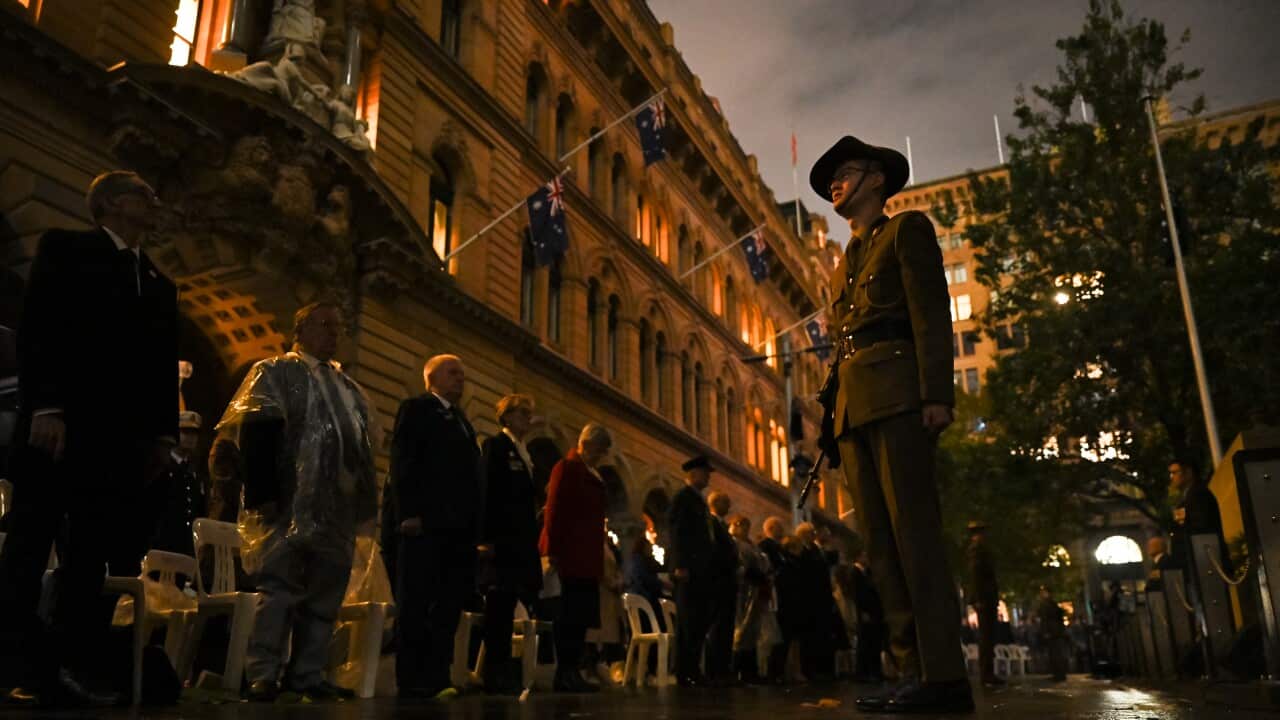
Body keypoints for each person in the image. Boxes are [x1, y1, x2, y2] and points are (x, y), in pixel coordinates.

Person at [0, 170, 177, 707]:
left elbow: (160, 367)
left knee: (90, 558)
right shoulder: (67, 248)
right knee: (30, 545)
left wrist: (162, 437)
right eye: (146, 193)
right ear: (114, 202)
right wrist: (47, 407)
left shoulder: (159, 281)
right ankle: (12, 663)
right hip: (61, 427)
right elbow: (40, 328)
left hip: (120, 446)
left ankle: (69, 666)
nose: (155, 201)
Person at [811, 136, 972, 713]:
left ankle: (944, 675)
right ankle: (911, 671)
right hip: (855, 407)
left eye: (845, 172)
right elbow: (842, 347)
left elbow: (930, 314)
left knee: (915, 536)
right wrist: (831, 418)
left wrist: (937, 395)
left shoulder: (906, 231)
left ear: (877, 178)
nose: (835, 183)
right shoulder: (842, 266)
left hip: (901, 395)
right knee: (879, 546)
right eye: (831, 178)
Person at [217, 302, 376, 702]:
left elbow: (361, 451)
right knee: (279, 589)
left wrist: (363, 508)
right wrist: (264, 495)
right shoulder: (275, 372)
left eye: (338, 327)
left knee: (324, 594)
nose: (334, 333)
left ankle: (307, 673)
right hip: (287, 502)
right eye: (325, 325)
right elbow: (258, 433)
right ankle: (263, 672)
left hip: (335, 511)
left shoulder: (349, 389)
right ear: (301, 330)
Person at [388, 354, 481, 699]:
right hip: (425, 523)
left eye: (462, 374)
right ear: (432, 378)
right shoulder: (417, 409)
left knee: (448, 604)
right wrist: (408, 512)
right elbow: (403, 461)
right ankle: (411, 678)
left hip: (458, 529)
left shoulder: (462, 421)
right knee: (416, 602)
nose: (460, 378)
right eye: (453, 372)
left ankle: (438, 675)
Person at [477, 394, 542, 694]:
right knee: (498, 607)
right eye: (522, 413)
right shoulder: (497, 446)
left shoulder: (523, 451)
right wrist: (485, 538)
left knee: (510, 602)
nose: (528, 418)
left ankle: (503, 669)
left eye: (529, 413)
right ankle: (494, 672)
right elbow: (488, 492)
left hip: (520, 542)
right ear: (506, 416)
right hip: (501, 540)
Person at [539, 423, 612, 692]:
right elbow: (554, 509)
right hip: (569, 553)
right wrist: (551, 549)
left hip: (586, 556)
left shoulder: (592, 473)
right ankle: (564, 673)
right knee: (568, 616)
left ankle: (573, 671)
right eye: (600, 450)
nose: (601, 456)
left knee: (581, 616)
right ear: (587, 444)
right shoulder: (566, 468)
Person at [667, 455, 716, 687]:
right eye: (705, 473)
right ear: (694, 473)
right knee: (688, 621)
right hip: (688, 569)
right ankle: (684, 670)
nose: (708, 478)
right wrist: (680, 564)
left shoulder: (698, 500)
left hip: (701, 570)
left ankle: (693, 668)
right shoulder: (683, 498)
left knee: (699, 620)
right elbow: (677, 532)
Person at [148, 410, 208, 556]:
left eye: (194, 433)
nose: (191, 438)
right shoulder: (162, 466)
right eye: (185, 432)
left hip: (188, 547)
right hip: (163, 545)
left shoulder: (195, 470)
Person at [728, 514, 770, 684]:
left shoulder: (751, 545)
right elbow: (741, 566)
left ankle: (750, 671)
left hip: (755, 591)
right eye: (741, 525)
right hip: (743, 591)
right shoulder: (734, 544)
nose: (745, 529)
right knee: (741, 630)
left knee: (752, 632)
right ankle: (737, 669)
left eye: (747, 525)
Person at [1168, 459, 1230, 572]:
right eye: (1170, 473)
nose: (1171, 477)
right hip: (1198, 559)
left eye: (1175, 472)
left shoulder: (1198, 494)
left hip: (1205, 559)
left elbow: (1201, 527)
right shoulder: (1187, 497)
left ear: (1188, 472)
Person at [705, 490, 740, 685]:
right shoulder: (710, 523)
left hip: (728, 582)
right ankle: (716, 671)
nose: (729, 506)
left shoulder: (722, 525)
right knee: (718, 628)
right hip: (718, 581)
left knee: (726, 628)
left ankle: (724, 669)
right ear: (716, 503)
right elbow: (715, 551)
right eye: (726, 502)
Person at [965, 520, 1001, 687]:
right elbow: (976, 576)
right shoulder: (977, 550)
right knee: (986, 637)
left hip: (987, 598)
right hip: (985, 599)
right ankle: (986, 674)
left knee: (988, 637)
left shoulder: (981, 550)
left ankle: (988, 673)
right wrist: (978, 599)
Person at [758, 516, 791, 683]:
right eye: (779, 526)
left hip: (785, 595)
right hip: (775, 595)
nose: (782, 529)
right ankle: (771, 671)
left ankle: (780, 670)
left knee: (785, 634)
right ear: (771, 528)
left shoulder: (781, 548)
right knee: (774, 634)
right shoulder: (765, 546)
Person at [1036, 586, 1068, 681]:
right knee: (1055, 653)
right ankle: (1058, 674)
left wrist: (1046, 631)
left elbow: (1046, 619)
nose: (1042, 594)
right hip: (1055, 632)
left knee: (1055, 654)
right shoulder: (1051, 604)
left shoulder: (1048, 605)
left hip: (1053, 632)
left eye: (1044, 592)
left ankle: (1059, 674)